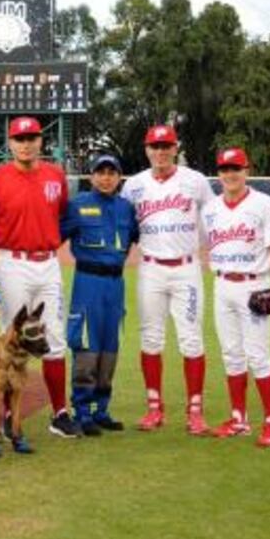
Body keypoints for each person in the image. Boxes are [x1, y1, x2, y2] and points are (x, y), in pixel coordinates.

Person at [0, 115, 81, 438]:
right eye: (20, 139)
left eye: (32, 138)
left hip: (48, 265)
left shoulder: (55, 176)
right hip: (12, 265)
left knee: (55, 337)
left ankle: (59, 413)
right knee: (10, 339)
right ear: (10, 143)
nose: (26, 144)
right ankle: (6, 413)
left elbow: (60, 212)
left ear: (41, 141)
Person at [120, 124, 215, 434]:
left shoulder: (196, 181)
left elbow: (211, 222)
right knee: (150, 338)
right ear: (147, 150)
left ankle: (195, 412)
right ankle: (153, 408)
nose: (160, 151)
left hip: (186, 269)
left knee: (191, 339)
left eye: (166, 146)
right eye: (155, 146)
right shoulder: (133, 185)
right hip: (150, 269)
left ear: (175, 148)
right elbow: (125, 227)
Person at [202, 147, 270, 447]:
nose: (230, 174)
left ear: (247, 171)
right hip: (222, 285)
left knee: (258, 355)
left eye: (235, 168)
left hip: (255, 286)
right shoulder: (211, 209)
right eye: (225, 169)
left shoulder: (264, 204)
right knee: (231, 353)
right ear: (219, 174)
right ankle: (239, 419)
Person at [59, 155, 139, 436]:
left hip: (115, 285)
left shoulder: (127, 209)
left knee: (109, 350)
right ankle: (81, 412)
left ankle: (101, 410)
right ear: (91, 177)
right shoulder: (77, 205)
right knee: (86, 347)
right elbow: (52, 234)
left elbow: (137, 238)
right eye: (100, 173)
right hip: (88, 283)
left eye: (111, 173)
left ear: (119, 177)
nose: (106, 178)